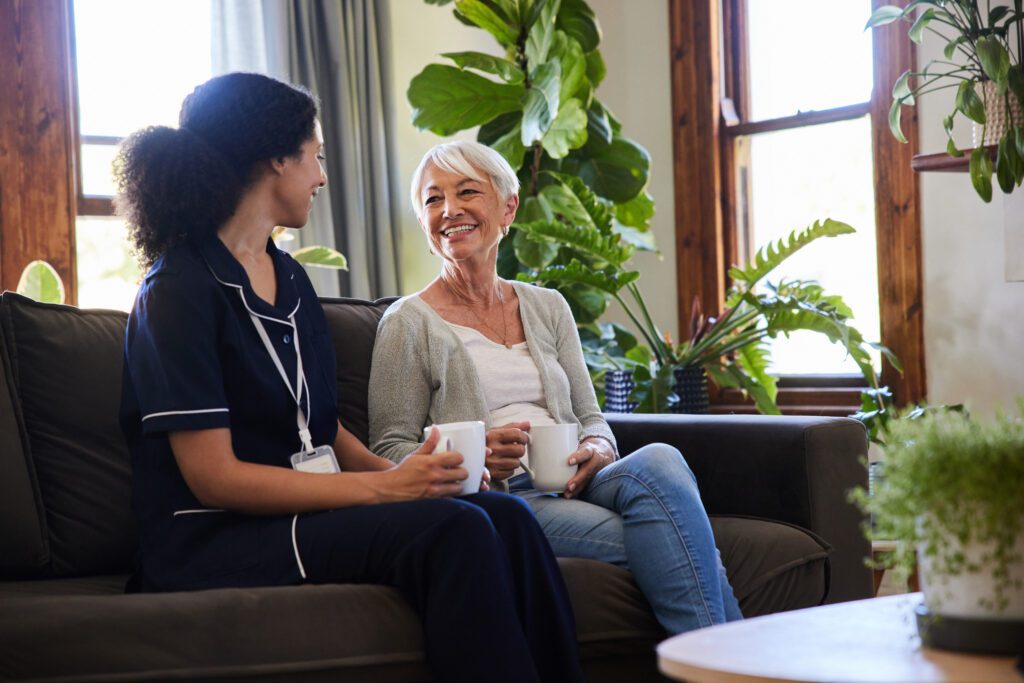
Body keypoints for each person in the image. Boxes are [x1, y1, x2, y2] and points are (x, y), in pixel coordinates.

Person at [117, 73, 584, 683]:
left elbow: (323, 427)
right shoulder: (177, 291)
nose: (322, 176)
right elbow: (214, 479)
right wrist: (387, 491)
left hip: (298, 516)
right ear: (275, 159)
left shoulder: (289, 279)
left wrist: (410, 475)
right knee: (456, 530)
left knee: (508, 516)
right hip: (212, 537)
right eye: (315, 156)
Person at [369, 140, 743, 635]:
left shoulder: (549, 307)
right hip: (506, 498)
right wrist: (474, 454)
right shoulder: (406, 322)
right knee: (677, 536)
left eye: (466, 192)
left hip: (580, 480)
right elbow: (388, 448)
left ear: (507, 207)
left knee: (660, 459)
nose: (449, 210)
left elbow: (591, 416)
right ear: (424, 222)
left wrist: (597, 445)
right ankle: (732, 664)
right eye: (433, 199)